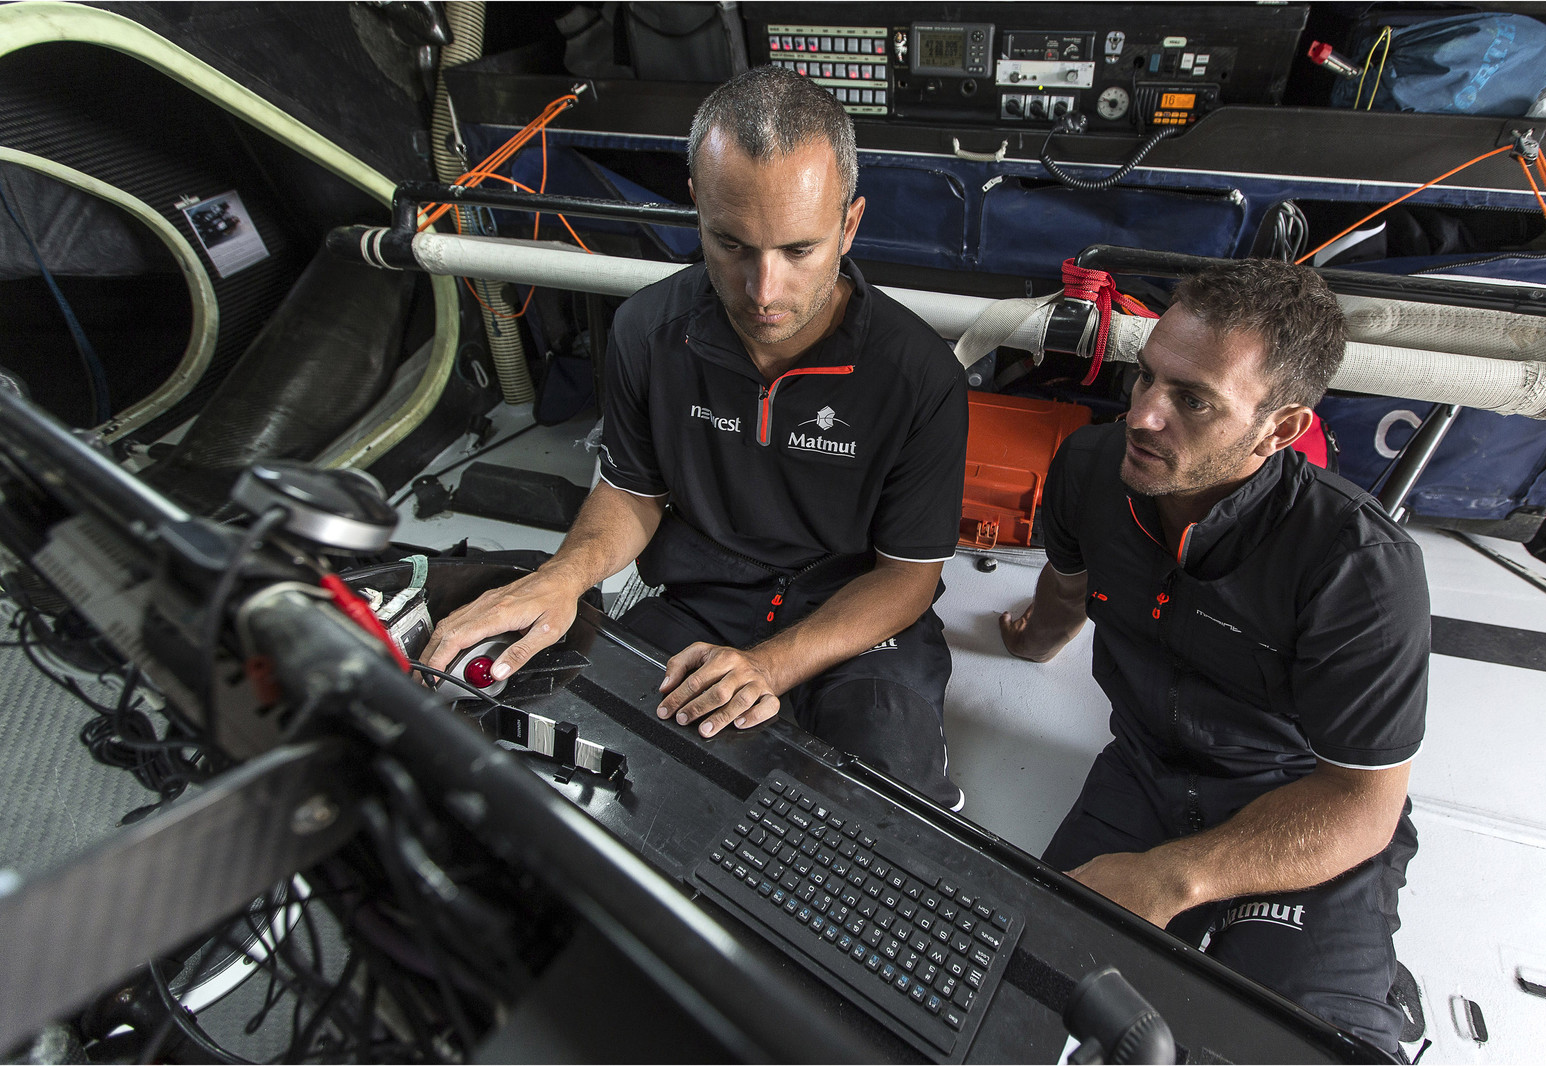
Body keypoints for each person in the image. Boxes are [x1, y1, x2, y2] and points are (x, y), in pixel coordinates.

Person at [424, 67, 968, 809]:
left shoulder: (919, 375)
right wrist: (562, 577)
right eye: (731, 244)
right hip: (702, 602)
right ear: (696, 206)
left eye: (799, 250)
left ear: (849, 225)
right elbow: (632, 492)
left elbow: (907, 577)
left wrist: (770, 666)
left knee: (884, 810)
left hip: (856, 622)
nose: (764, 291)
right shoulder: (646, 332)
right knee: (597, 768)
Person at [998, 259, 1428, 1052]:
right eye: (1145, 378)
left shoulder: (1358, 564)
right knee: (1021, 993)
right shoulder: (1089, 470)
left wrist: (1170, 879)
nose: (1144, 417)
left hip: (1296, 802)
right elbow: (1065, 592)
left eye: (1192, 400)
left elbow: (1364, 804)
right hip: (1145, 771)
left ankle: (1369, 993)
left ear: (1280, 427)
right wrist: (1029, 642)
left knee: (1285, 1041)